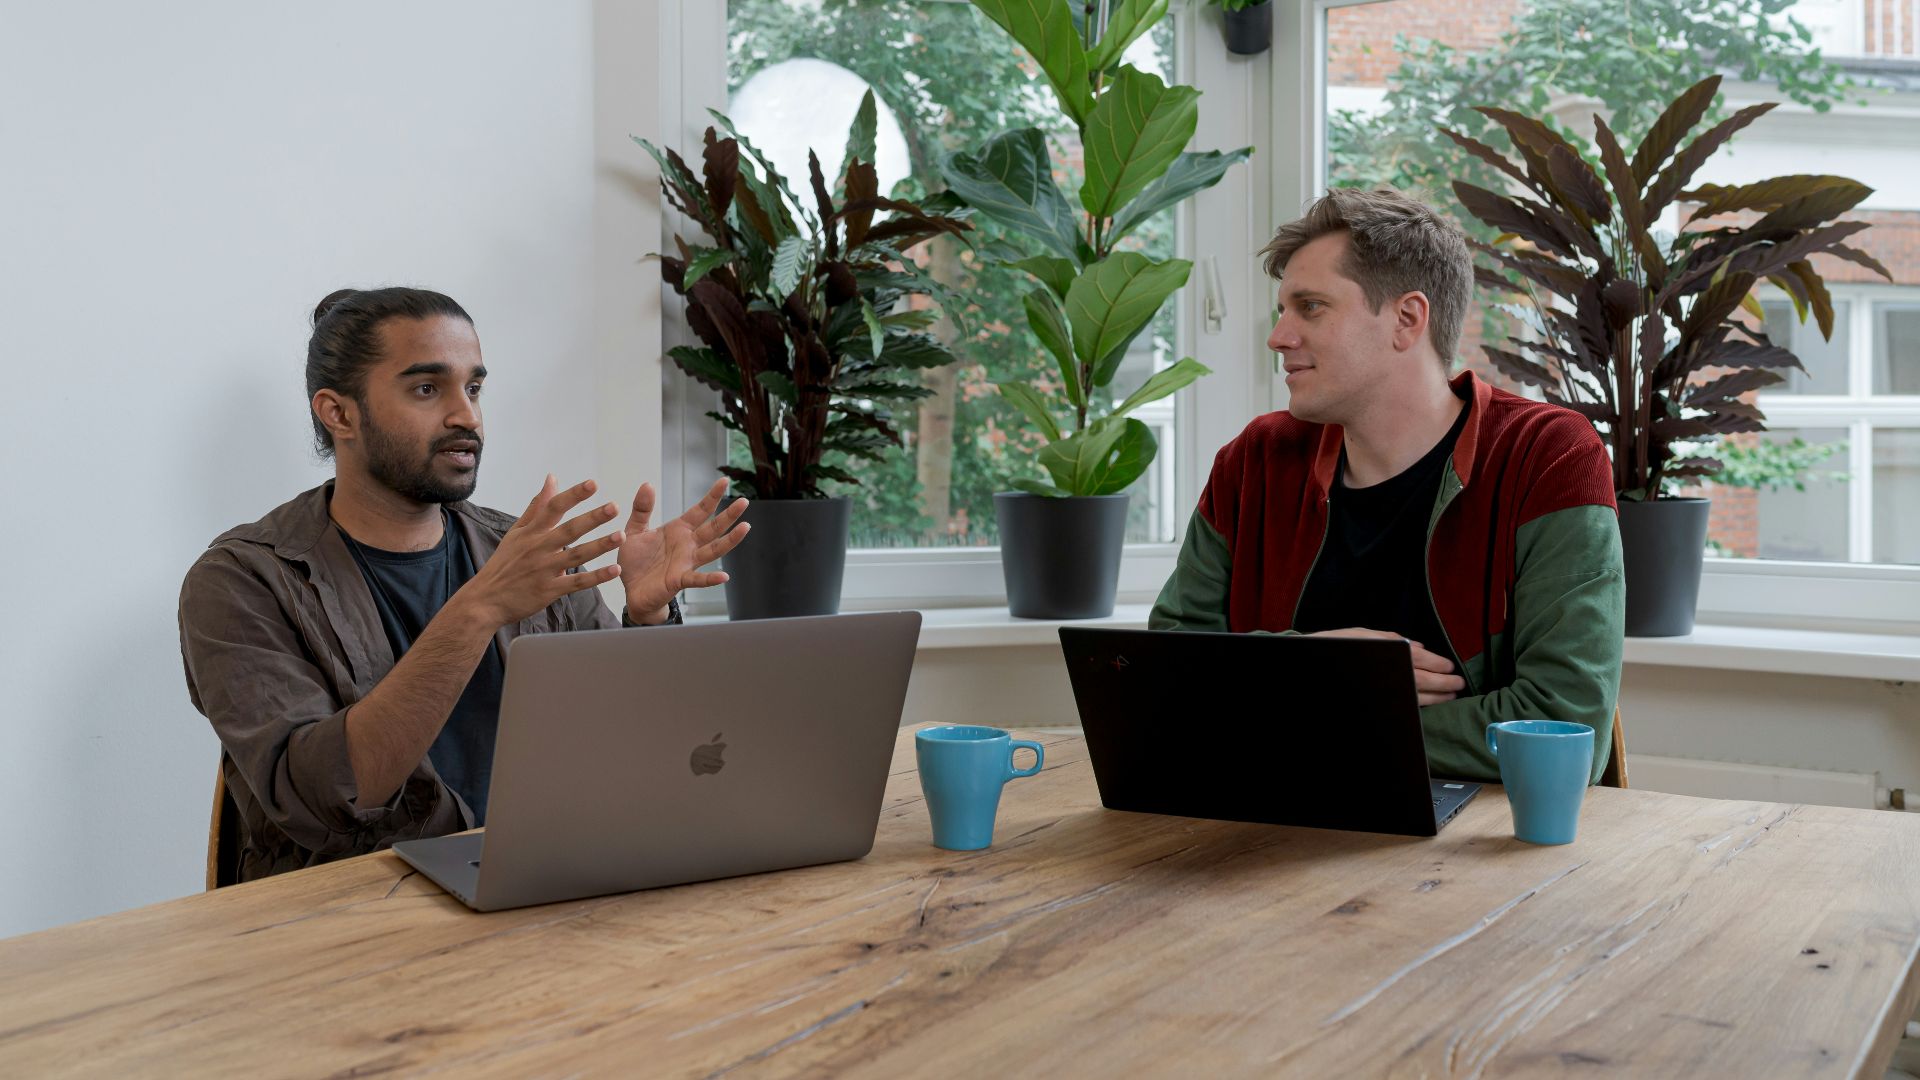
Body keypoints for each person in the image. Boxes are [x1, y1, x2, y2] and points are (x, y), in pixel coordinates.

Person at [179, 287, 750, 881]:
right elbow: (324, 803)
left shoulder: (526, 551)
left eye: (473, 388)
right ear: (339, 413)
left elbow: (625, 749)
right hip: (351, 922)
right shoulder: (242, 581)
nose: (467, 416)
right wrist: (478, 608)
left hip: (541, 884)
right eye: (427, 389)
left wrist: (648, 620)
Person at [1150, 189, 1624, 782]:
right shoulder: (1256, 461)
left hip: (1485, 850)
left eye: (1311, 306)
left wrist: (1318, 712)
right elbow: (1164, 673)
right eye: (1283, 310)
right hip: (1268, 830)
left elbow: (1562, 725)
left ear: (1407, 319)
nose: (1278, 336)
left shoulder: (1545, 455)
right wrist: (1312, 673)